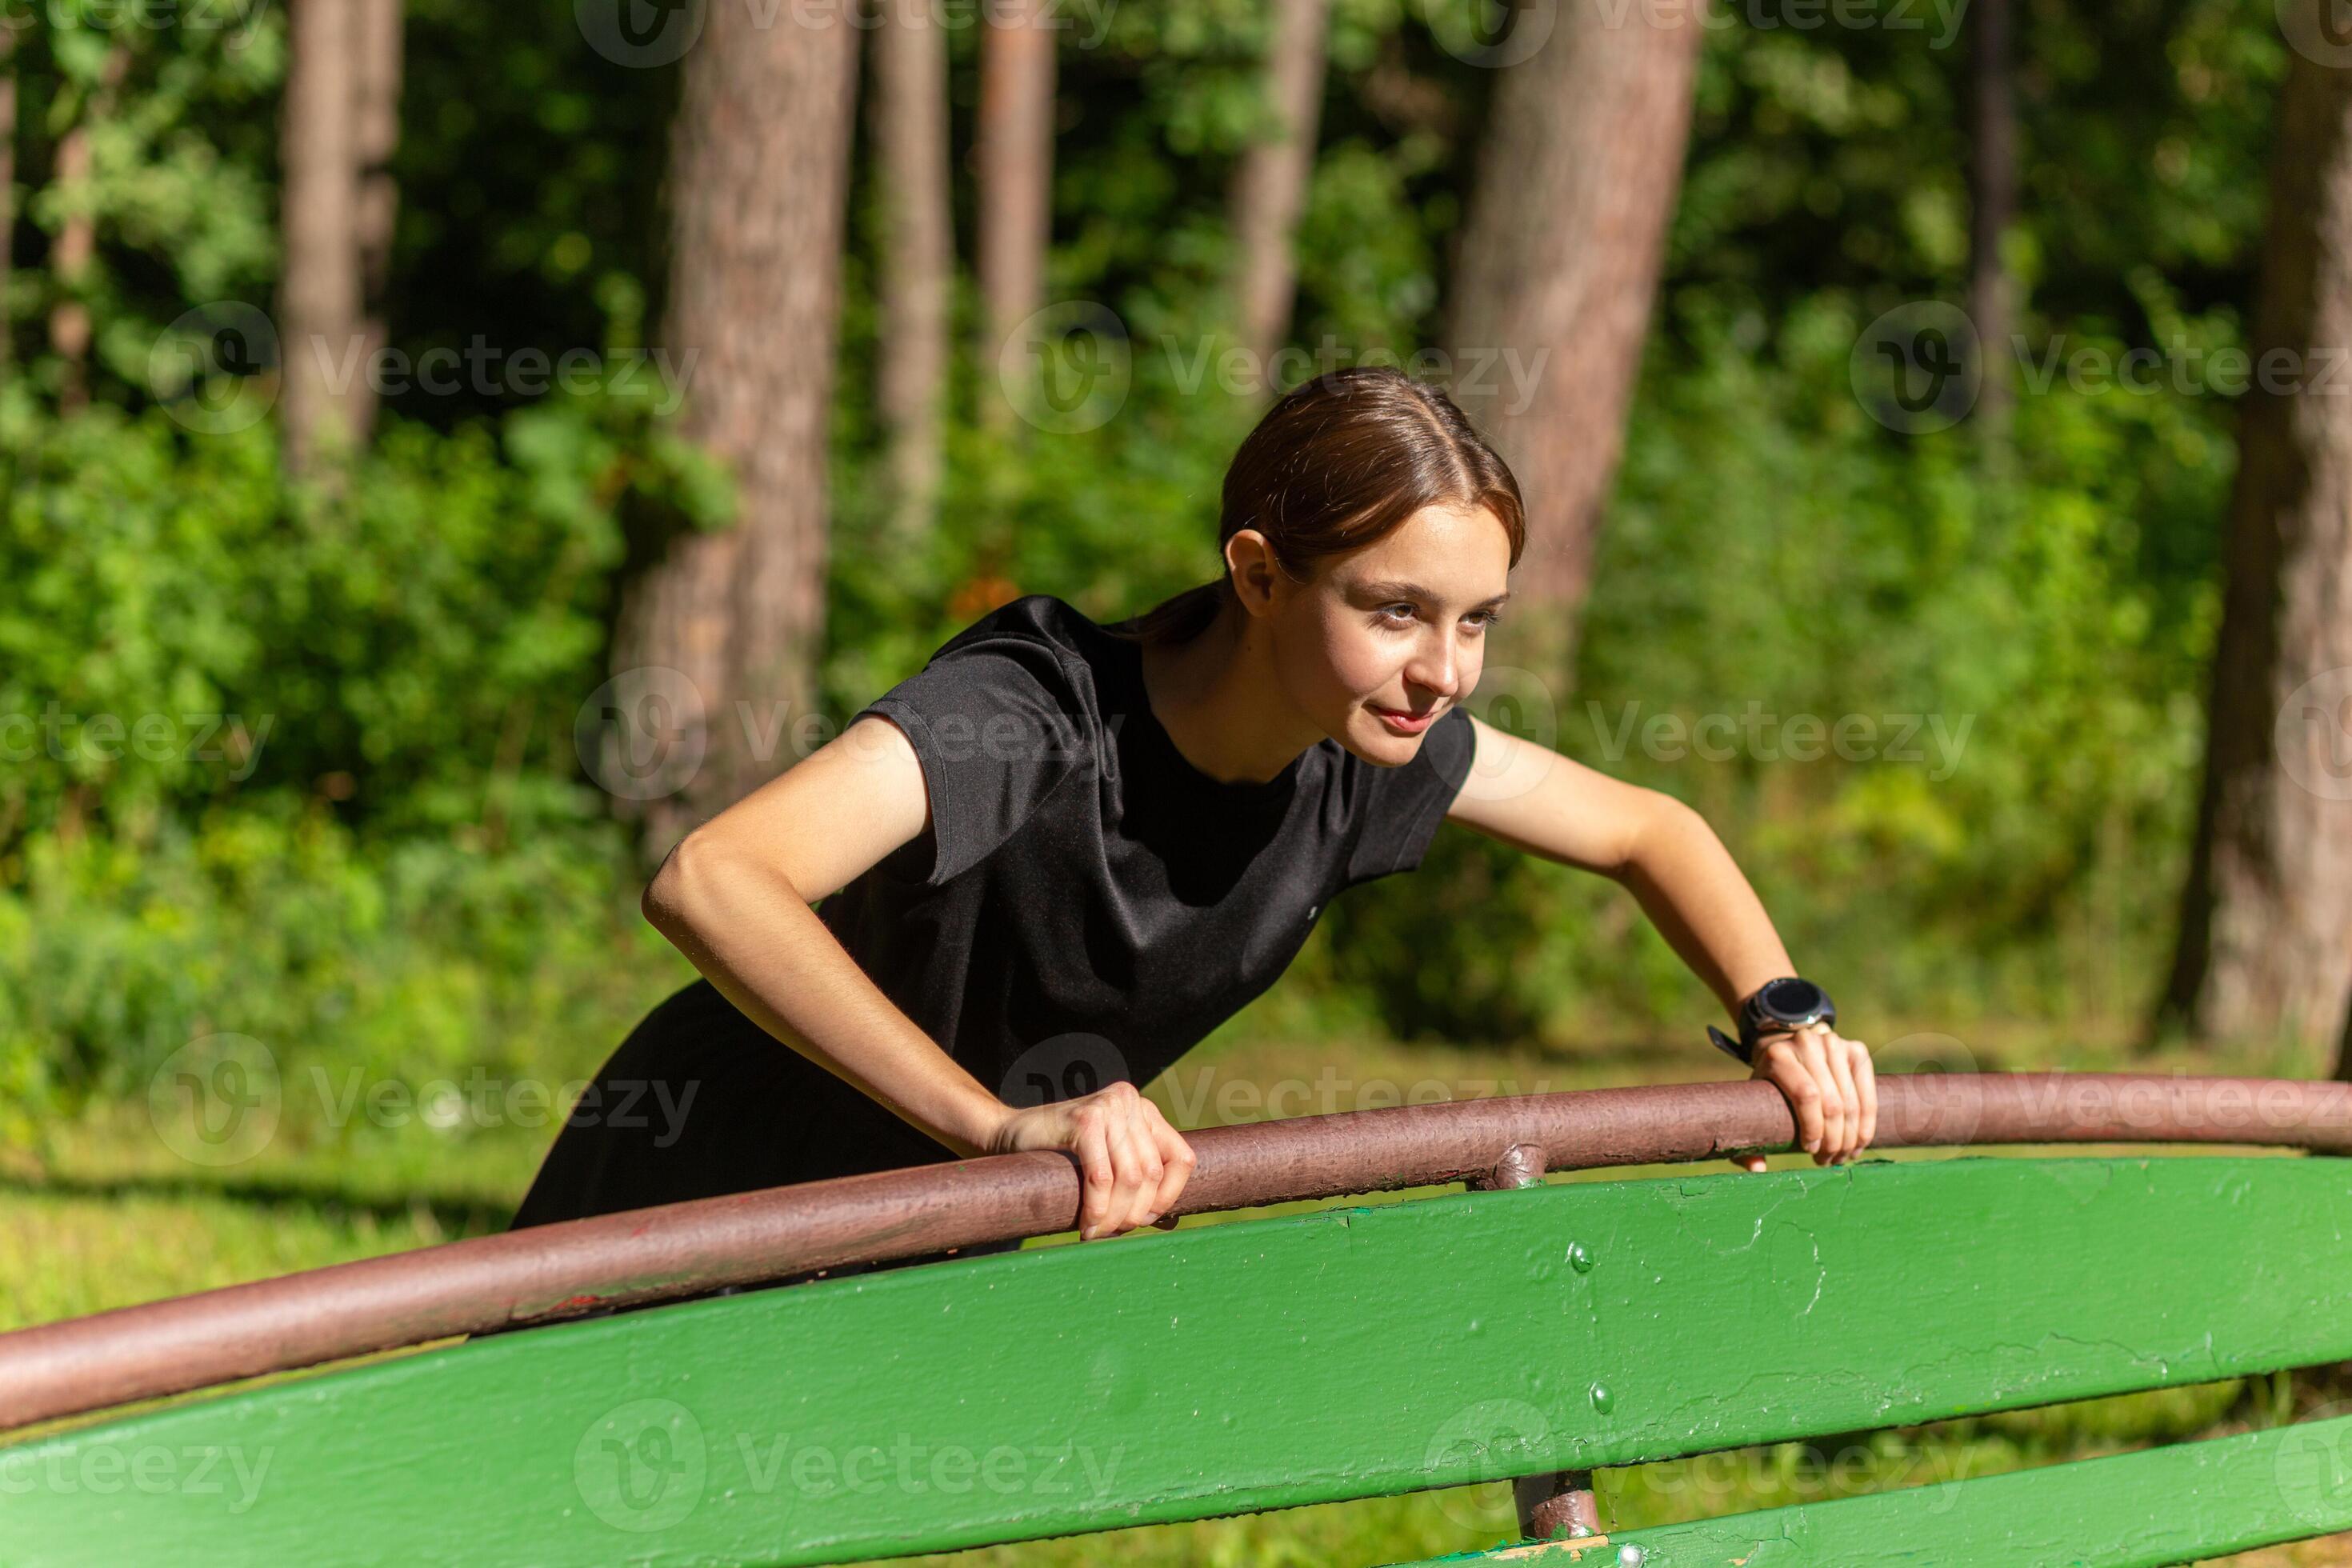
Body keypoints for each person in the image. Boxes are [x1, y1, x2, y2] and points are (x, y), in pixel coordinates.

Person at [505, 365, 1877, 1263]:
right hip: (693, 1192)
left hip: (921, 1236)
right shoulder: (1031, 713)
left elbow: (1651, 830)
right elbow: (713, 877)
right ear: (1261, 573)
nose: (1444, 672)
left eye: (1476, 622)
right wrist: (997, 1126)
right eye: (1394, 610)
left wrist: (1787, 1018)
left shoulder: (1370, 749)